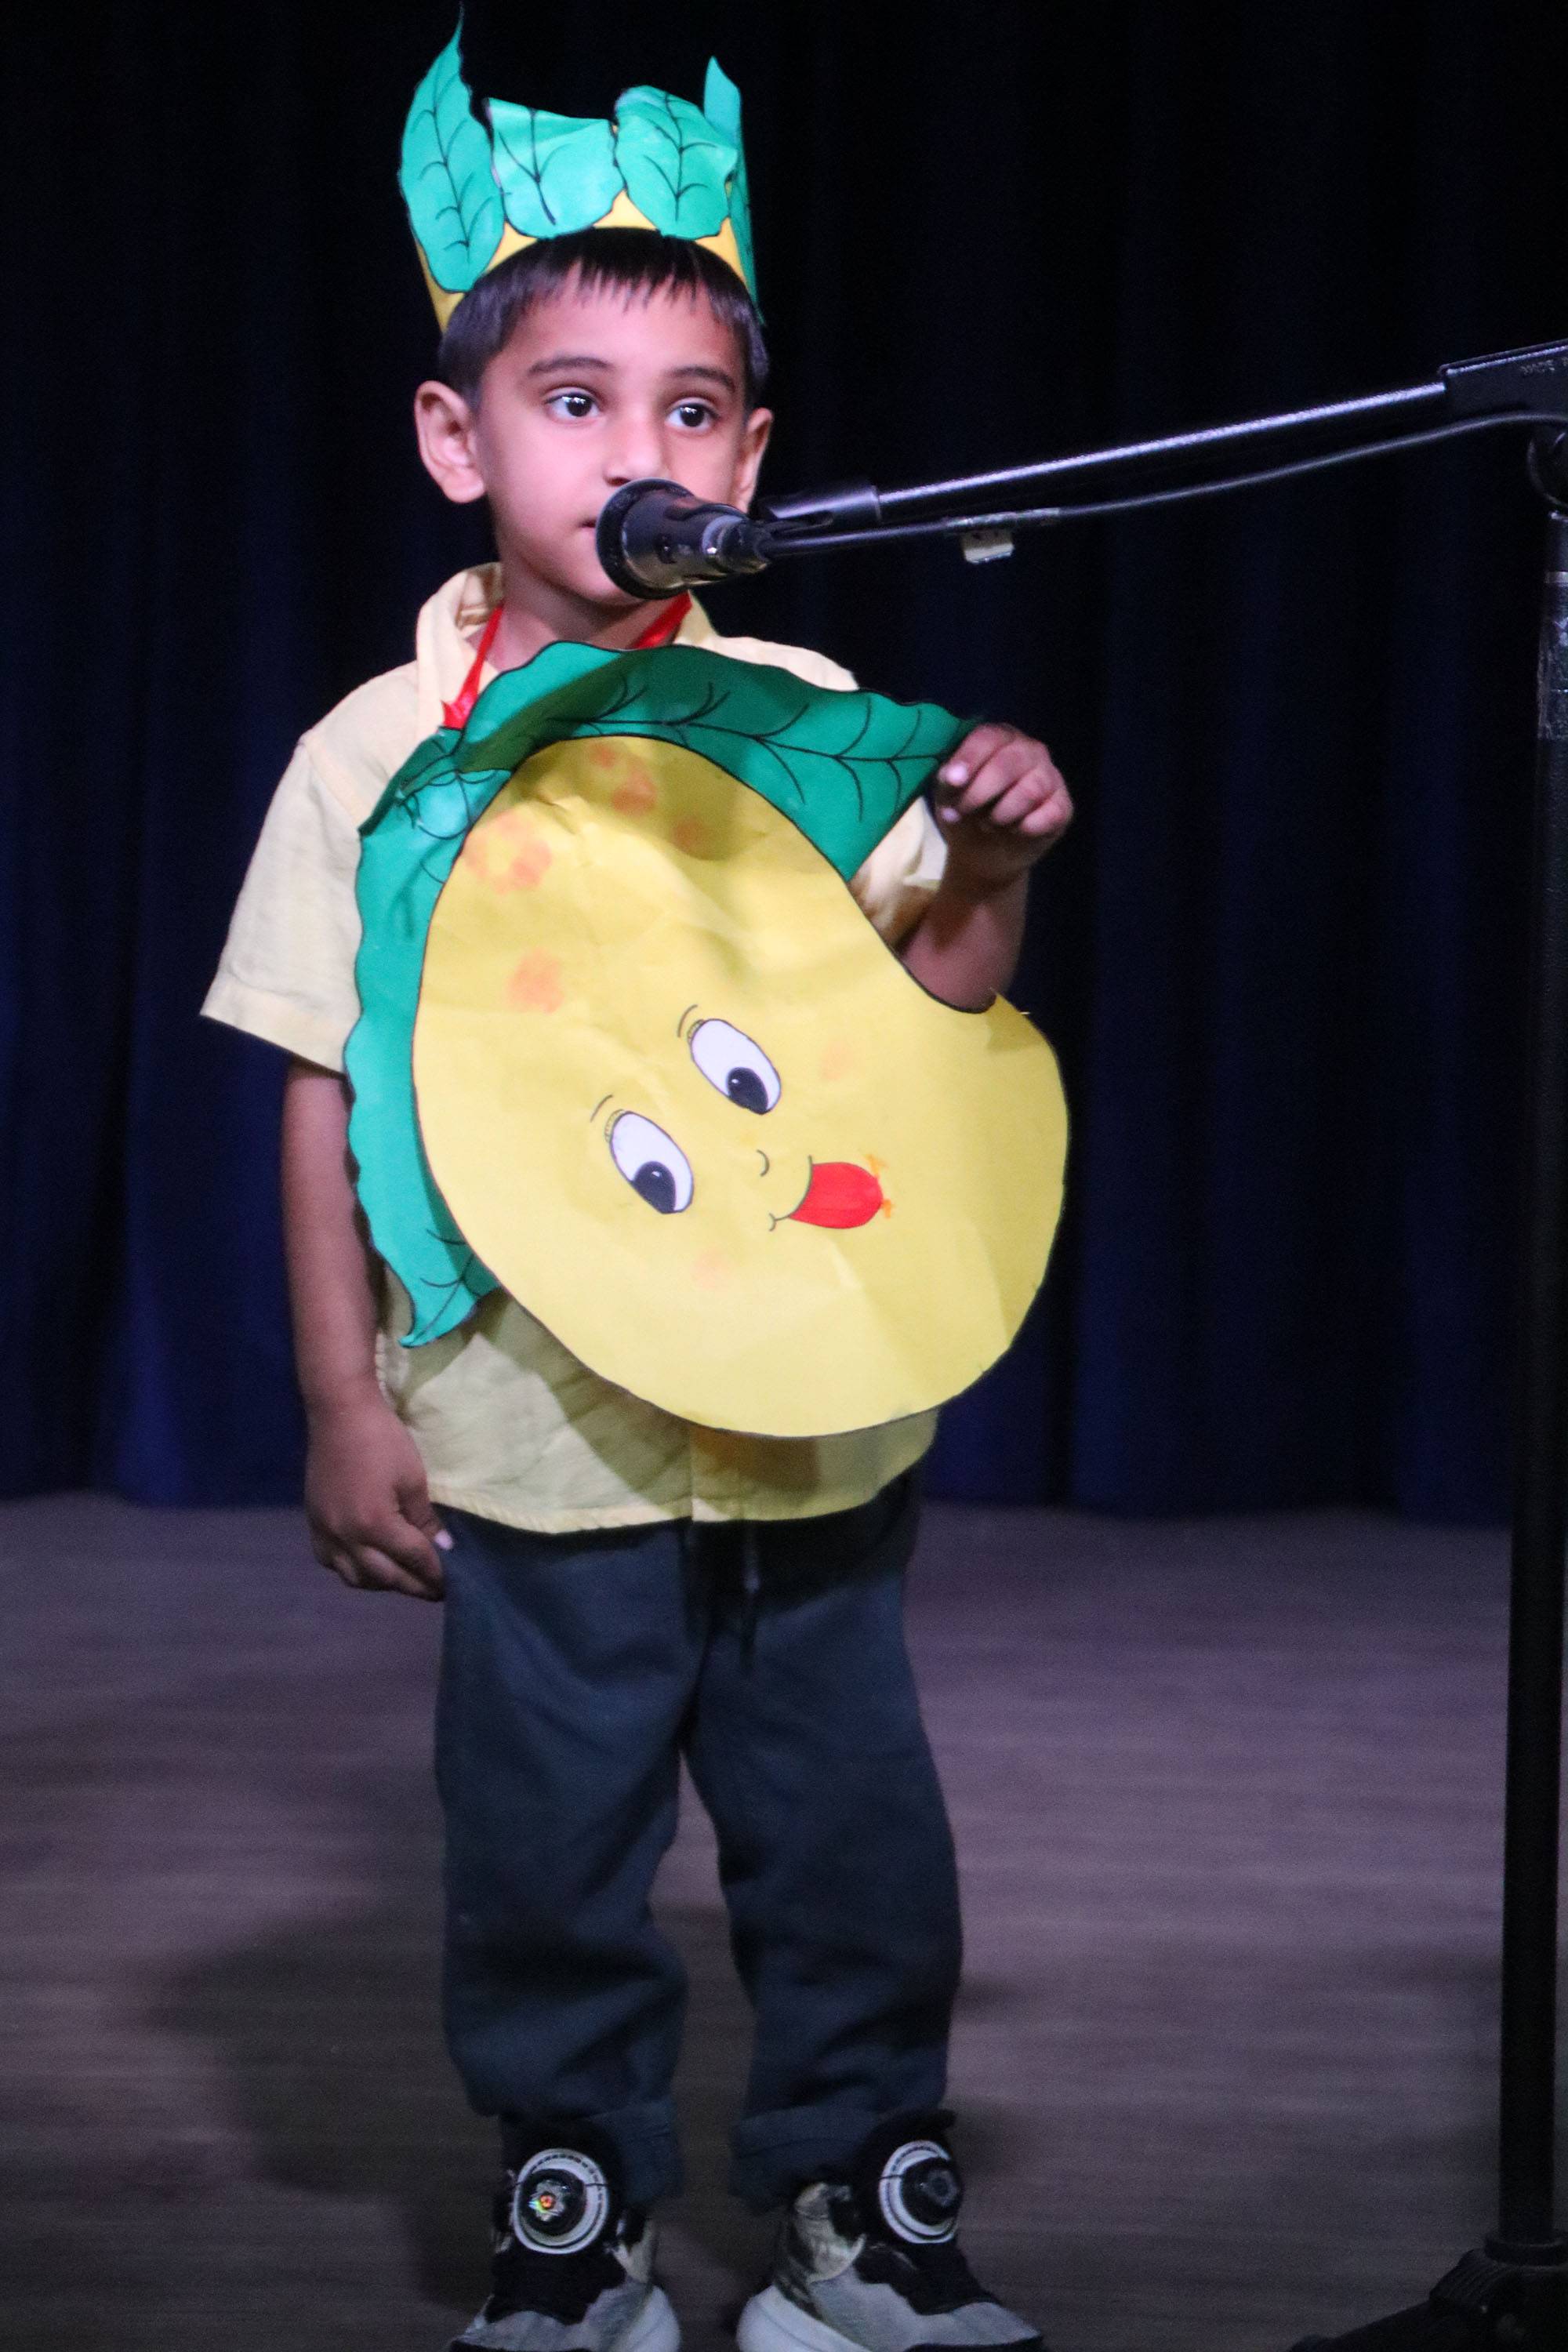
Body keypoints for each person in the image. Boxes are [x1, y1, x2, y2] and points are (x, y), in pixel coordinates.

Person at [203, 37, 1073, 2352]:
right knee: (550, 1838)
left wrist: (984, 865)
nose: (637, 454)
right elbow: (315, 1087)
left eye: (693, 412)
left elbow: (927, 1010)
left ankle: (862, 2210)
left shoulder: (798, 709)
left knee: (848, 1824)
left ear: (754, 462)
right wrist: (343, 1402)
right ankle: (572, 2213)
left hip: (803, 1408)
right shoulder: (366, 761)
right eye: (574, 403)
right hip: (535, 1421)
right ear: (455, 437)